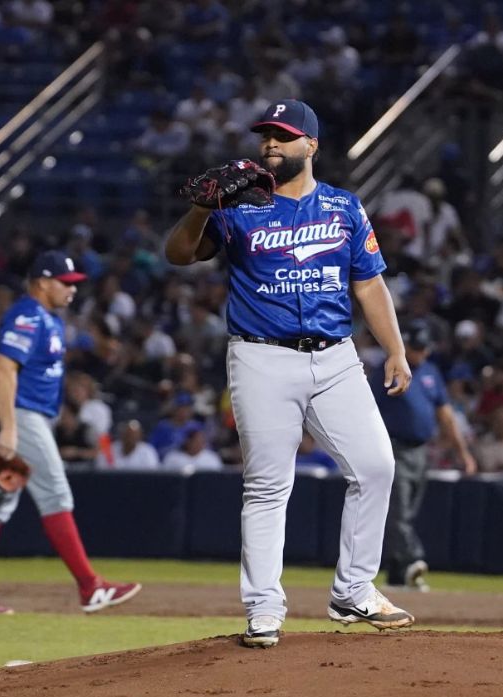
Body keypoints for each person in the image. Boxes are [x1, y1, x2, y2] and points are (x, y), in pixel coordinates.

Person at [164, 99, 414, 649]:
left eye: (283, 135)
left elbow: (369, 284)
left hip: (335, 357)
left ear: (312, 146)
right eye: (265, 136)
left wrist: (394, 349)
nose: (271, 144)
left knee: (375, 466)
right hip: (261, 357)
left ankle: (353, 590)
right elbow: (178, 254)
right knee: (268, 487)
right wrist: (203, 209)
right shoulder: (236, 207)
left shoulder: (345, 208)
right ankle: (262, 609)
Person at [0, 250, 140, 615]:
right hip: (20, 415)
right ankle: (90, 587)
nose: (72, 289)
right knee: (56, 493)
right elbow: (2, 370)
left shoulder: (42, 317)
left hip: (17, 414)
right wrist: (6, 428)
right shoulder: (27, 314)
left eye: (73, 283)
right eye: (64, 283)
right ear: (41, 282)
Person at [371, 322, 476, 592]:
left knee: (408, 510)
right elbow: (366, 410)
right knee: (400, 510)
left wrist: (462, 452)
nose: (420, 353)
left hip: (420, 450)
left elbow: (446, 416)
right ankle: (413, 559)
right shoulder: (385, 370)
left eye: (422, 348)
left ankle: (395, 573)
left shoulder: (430, 373)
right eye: (415, 348)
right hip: (393, 448)